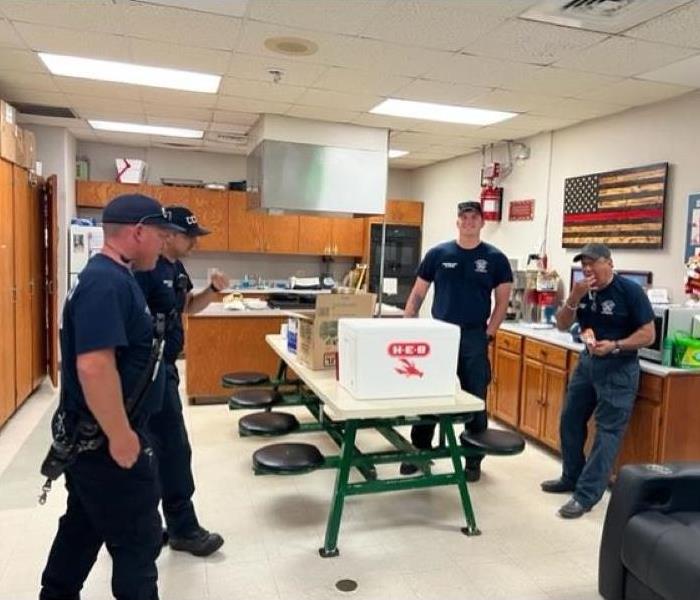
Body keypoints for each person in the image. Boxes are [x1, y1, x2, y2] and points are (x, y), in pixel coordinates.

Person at [40, 194, 184, 600]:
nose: (162, 244)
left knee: (83, 526)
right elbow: (93, 366)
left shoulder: (117, 277)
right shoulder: (106, 282)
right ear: (138, 232)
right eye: (159, 235)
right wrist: (121, 436)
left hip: (97, 442)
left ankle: (56, 593)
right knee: (139, 541)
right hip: (107, 443)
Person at [134, 205, 229, 556]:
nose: (195, 243)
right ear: (169, 235)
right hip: (146, 373)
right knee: (169, 450)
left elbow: (188, 306)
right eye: (190, 236)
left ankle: (150, 524)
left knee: (163, 450)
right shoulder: (143, 268)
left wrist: (212, 291)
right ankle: (181, 529)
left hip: (165, 370)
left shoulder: (175, 267)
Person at [400, 200, 513, 481]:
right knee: (430, 395)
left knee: (474, 399)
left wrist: (489, 334)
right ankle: (420, 452)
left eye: (475, 217)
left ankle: (472, 460)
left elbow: (502, 302)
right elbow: (418, 292)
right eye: (464, 217)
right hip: (439, 335)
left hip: (474, 336)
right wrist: (408, 322)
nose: (469, 221)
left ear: (482, 222)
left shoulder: (495, 259)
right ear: (458, 221)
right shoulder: (438, 254)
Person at [541, 243, 655, 519]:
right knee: (569, 419)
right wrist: (574, 297)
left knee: (607, 433)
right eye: (584, 265)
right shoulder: (582, 292)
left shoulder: (630, 291)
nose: (588, 269)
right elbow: (561, 324)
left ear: (609, 263)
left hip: (619, 367)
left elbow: (648, 334)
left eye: (593, 263)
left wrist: (616, 345)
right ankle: (571, 476)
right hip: (588, 364)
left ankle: (586, 494)